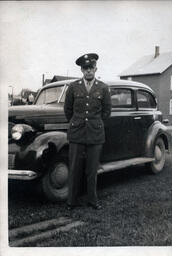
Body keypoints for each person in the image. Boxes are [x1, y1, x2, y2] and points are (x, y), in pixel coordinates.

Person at [64, 53, 111, 210]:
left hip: (95, 133)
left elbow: (107, 111)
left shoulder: (103, 87)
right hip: (77, 133)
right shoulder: (73, 87)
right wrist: (76, 122)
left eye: (91, 68)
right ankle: (72, 200)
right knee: (75, 168)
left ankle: (92, 200)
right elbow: (67, 110)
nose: (88, 71)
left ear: (95, 69)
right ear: (81, 70)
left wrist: (95, 123)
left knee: (92, 169)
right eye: (85, 68)